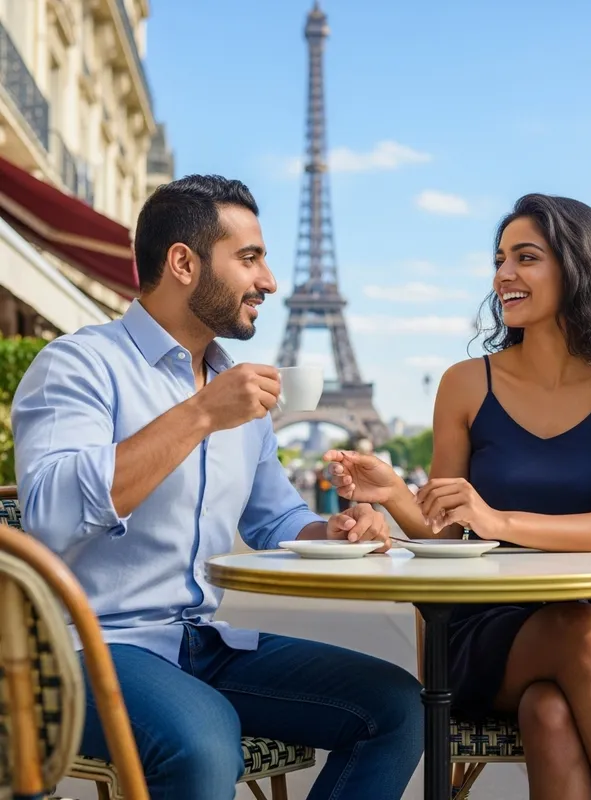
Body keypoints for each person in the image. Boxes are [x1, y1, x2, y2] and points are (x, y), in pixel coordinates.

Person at [11, 175, 423, 800]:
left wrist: (333, 531)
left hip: (206, 641)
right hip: (91, 644)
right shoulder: (79, 365)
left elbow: (276, 519)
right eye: (250, 258)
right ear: (183, 262)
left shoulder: (239, 390)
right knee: (205, 738)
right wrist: (200, 414)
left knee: (397, 707)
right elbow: (49, 514)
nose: (270, 282)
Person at [325, 194, 591, 800]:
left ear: (578, 269)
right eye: (499, 259)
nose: (503, 275)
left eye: (526, 257)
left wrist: (497, 519)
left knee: (550, 711)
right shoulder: (466, 384)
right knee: (572, 633)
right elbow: (445, 534)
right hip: (490, 629)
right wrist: (393, 492)